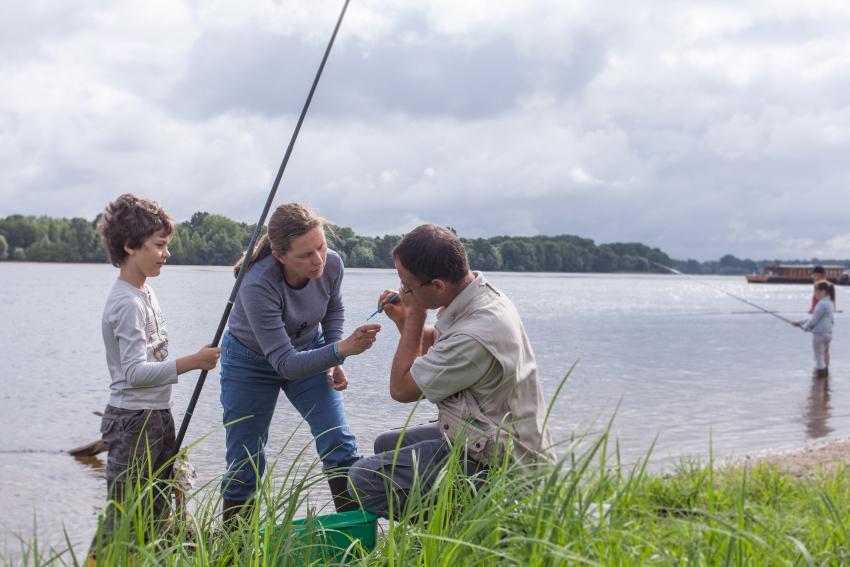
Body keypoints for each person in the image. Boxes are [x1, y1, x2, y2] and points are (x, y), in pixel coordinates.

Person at [347, 224, 553, 518]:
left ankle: (472, 530)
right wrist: (406, 319)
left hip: (501, 465)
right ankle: (440, 529)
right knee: (386, 445)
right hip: (482, 431)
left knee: (364, 479)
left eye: (408, 286)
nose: (403, 291)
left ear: (438, 285)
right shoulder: (477, 296)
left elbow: (401, 389)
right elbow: (442, 342)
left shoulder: (476, 333)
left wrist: (415, 315)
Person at [219, 203, 380, 520]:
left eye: (321, 246)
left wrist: (334, 356)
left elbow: (333, 310)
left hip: (308, 348)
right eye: (306, 255)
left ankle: (352, 539)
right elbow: (285, 364)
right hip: (250, 363)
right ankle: (234, 550)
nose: (318, 259)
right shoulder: (256, 284)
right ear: (280, 256)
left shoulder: (332, 265)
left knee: (339, 443)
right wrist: (342, 350)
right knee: (245, 460)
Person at [93, 194, 221, 544]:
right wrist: (193, 362)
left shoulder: (146, 292)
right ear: (130, 246)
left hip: (156, 415)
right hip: (132, 421)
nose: (167, 253)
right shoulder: (126, 303)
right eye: (159, 245)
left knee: (158, 511)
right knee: (123, 520)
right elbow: (134, 374)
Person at [793, 281, 835, 378]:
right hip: (828, 334)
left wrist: (805, 328)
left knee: (818, 358)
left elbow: (814, 319)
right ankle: (824, 383)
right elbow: (815, 318)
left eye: (815, 291)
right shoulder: (830, 303)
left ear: (822, 291)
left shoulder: (821, 304)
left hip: (819, 335)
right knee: (821, 356)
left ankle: (819, 382)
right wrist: (799, 322)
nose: (814, 294)